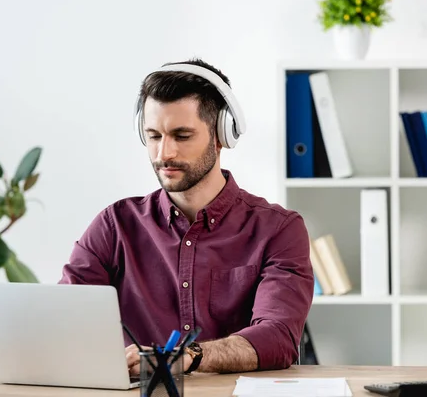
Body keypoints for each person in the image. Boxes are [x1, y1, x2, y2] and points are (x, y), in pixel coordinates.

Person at [58, 58, 314, 375]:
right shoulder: (114, 225)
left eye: (181, 135)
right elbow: (65, 319)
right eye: (153, 135)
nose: (164, 153)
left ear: (223, 134)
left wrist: (190, 356)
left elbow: (278, 336)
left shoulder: (278, 230)